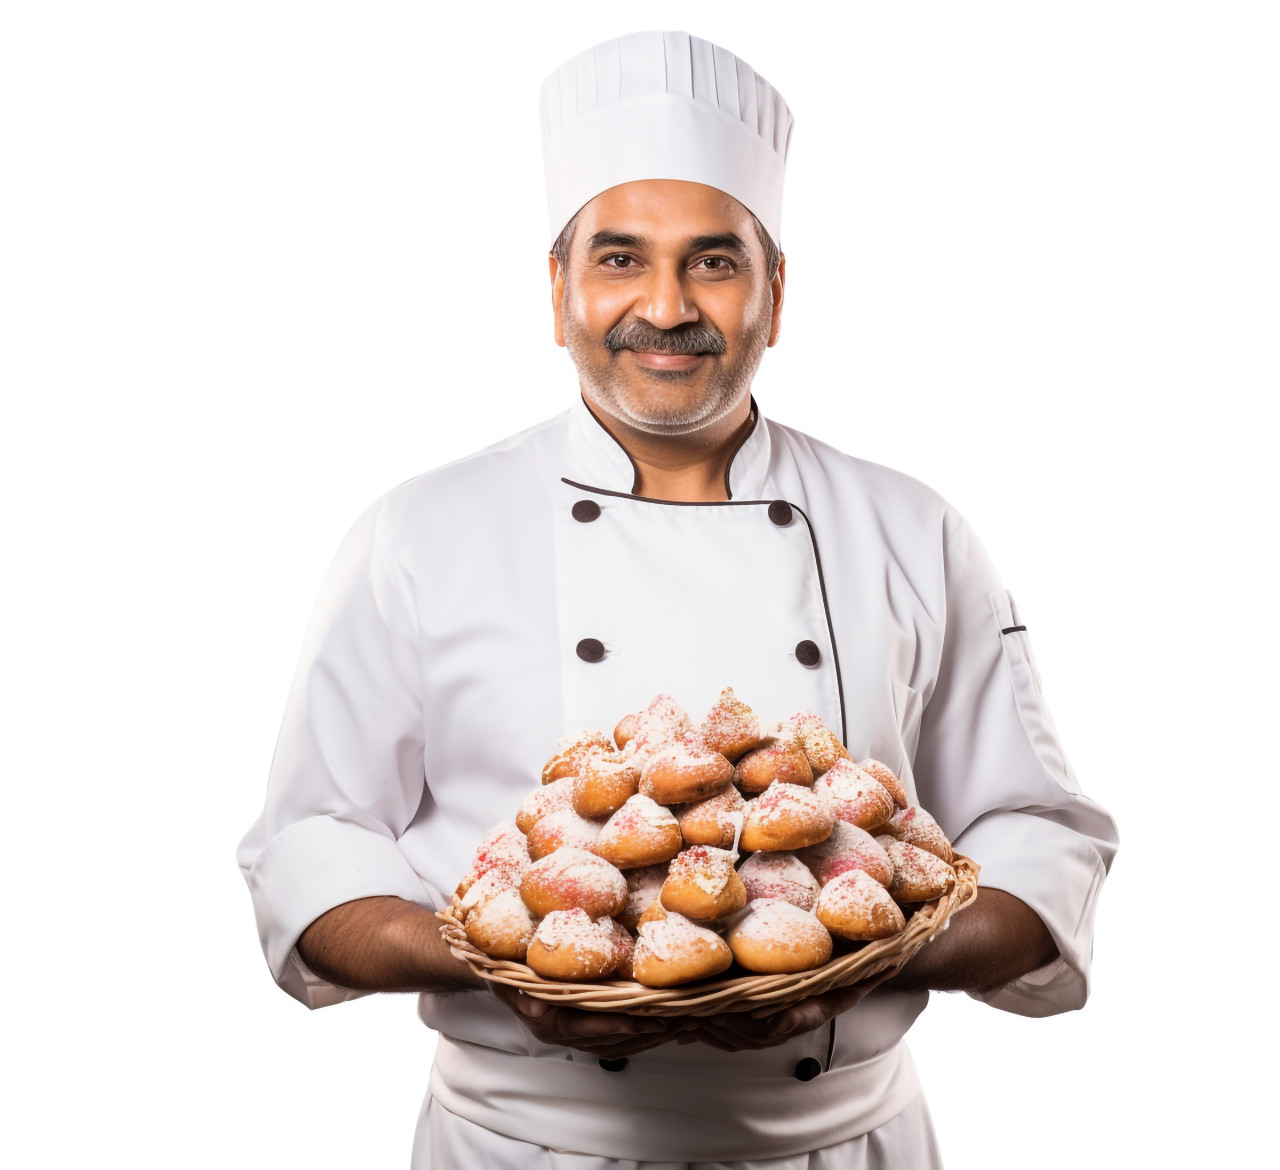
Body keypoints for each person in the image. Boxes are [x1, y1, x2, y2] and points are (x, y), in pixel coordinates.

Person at [238, 30, 1119, 1169]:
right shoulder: (419, 533)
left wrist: (877, 947)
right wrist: (489, 962)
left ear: (774, 291)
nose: (664, 305)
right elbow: (309, 841)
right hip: (523, 1148)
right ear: (557, 293)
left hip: (842, 1142)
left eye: (712, 260)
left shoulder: (911, 529)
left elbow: (1033, 832)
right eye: (618, 260)